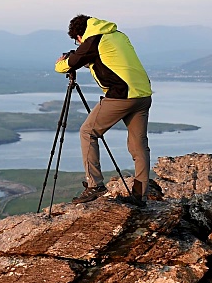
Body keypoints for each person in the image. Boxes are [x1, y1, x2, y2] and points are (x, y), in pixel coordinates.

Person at [55, 14, 152, 206]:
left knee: (88, 132)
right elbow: (107, 58)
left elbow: (70, 63)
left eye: (77, 40)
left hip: (121, 95)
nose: (79, 42)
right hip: (143, 95)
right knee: (138, 146)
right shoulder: (117, 35)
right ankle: (140, 196)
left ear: (79, 35)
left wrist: (61, 63)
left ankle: (95, 186)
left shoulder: (93, 40)